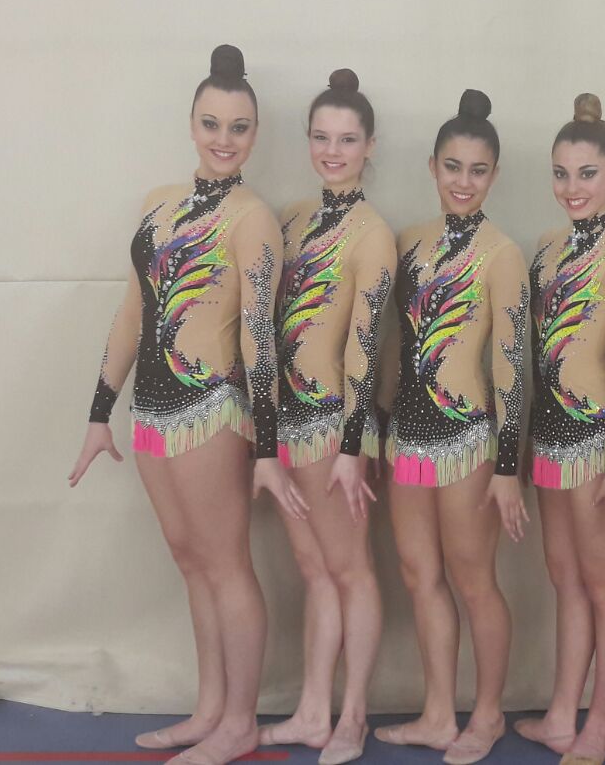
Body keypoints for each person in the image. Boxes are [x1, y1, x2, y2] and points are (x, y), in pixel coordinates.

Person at [70, 45, 281, 765]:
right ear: (192, 124)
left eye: (239, 128)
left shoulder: (253, 218)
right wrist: (100, 413)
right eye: (212, 124)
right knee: (191, 561)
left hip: (210, 410)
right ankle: (210, 709)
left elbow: (258, 337)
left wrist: (267, 449)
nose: (224, 140)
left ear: (256, 134)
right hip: (151, 413)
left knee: (226, 564)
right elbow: (134, 311)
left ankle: (240, 722)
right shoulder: (156, 205)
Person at [373, 89, 527, 765]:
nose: (463, 182)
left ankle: (487, 713)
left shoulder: (502, 254)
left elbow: (512, 367)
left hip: (468, 442)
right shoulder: (408, 242)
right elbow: (393, 347)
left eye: (478, 170)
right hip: (407, 439)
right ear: (432, 166)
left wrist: (508, 468)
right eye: (453, 167)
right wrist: (378, 431)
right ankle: (438, 713)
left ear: (494, 174)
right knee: (417, 572)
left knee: (472, 579)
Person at [255, 69, 394, 765]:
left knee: (351, 569)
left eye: (346, 139)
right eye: (321, 137)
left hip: (336, 424)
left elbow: (366, 344)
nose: (332, 152)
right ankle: (313, 711)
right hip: (287, 423)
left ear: (370, 146)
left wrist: (351, 447)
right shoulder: (291, 221)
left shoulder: (372, 234)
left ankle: (353, 715)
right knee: (314, 569)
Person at [514, 93, 605, 765]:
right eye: (562, 174)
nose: (573, 188)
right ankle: (561, 717)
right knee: (565, 580)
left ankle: (598, 725)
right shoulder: (546, 250)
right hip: (550, 442)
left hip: (601, 444)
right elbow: (537, 359)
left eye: (588, 174)